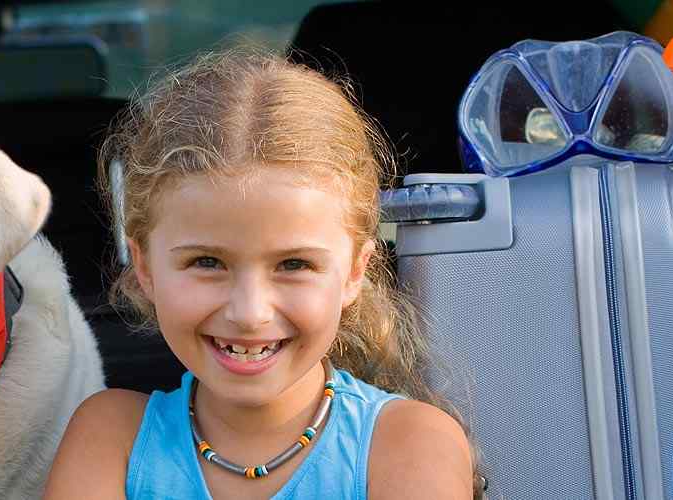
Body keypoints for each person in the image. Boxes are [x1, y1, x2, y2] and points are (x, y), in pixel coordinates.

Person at [44, 47, 477, 499]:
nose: (250, 313)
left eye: (294, 264)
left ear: (354, 271)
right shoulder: (110, 439)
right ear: (146, 267)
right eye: (207, 262)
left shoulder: (409, 444)